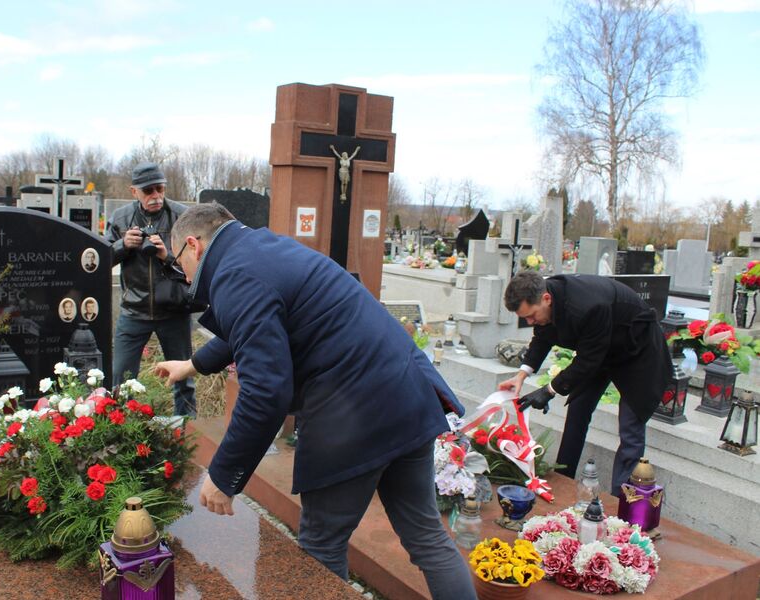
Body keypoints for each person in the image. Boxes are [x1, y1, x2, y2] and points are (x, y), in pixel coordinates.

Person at [153, 203, 476, 600]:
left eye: (178, 263)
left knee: (321, 545)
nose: (182, 275)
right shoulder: (260, 250)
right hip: (406, 392)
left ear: (193, 244)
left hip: (354, 411)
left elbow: (265, 390)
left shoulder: (234, 275)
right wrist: (192, 365)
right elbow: (252, 324)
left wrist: (224, 475)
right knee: (426, 536)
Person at [498, 271, 673, 495]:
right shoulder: (545, 296)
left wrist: (549, 390)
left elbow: (588, 361)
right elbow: (543, 336)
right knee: (578, 410)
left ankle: (621, 500)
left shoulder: (588, 306)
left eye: (531, 316)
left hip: (637, 351)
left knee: (630, 427)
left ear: (546, 299)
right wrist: (522, 375)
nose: (530, 322)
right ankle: (563, 479)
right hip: (601, 348)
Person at [105, 162, 196, 416]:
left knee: (184, 380)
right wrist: (123, 245)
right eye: (149, 191)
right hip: (134, 310)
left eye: (160, 188)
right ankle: (120, 432)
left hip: (175, 310)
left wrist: (166, 255)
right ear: (134, 192)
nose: (156, 196)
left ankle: (186, 430)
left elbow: (198, 261)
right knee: (121, 381)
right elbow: (101, 260)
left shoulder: (181, 216)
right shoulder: (120, 218)